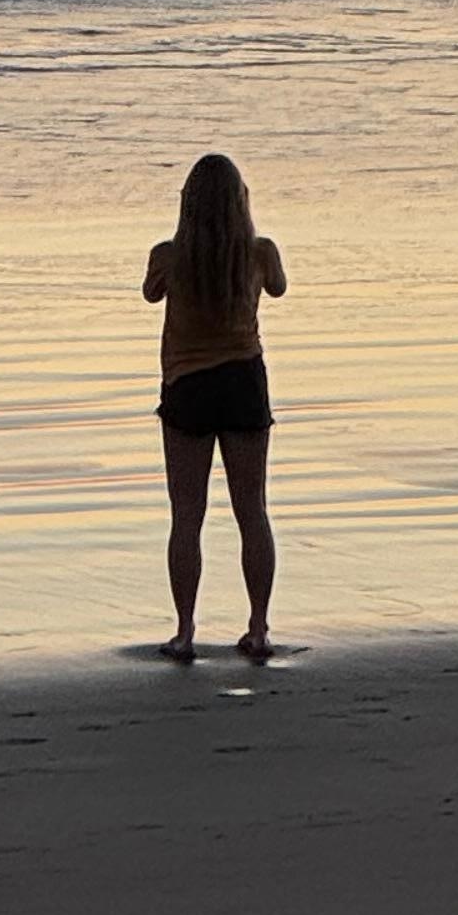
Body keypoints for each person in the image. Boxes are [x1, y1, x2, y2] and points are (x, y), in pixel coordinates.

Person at [142, 153, 286, 660]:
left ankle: (185, 630)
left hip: (187, 384)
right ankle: (259, 626)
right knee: (253, 511)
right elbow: (279, 287)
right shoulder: (260, 251)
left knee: (187, 515)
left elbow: (149, 294)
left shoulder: (168, 255)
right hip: (244, 380)